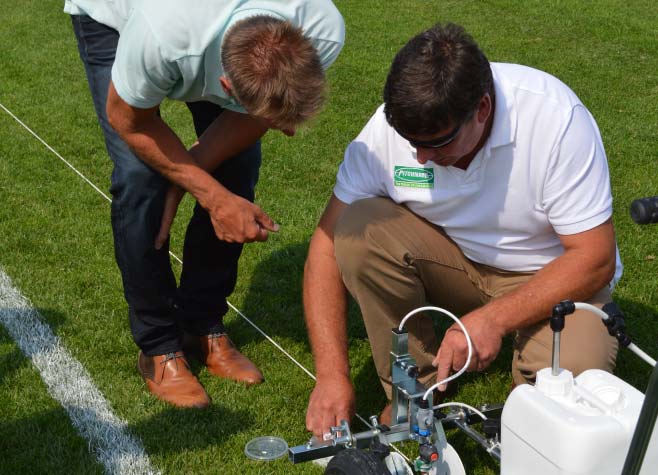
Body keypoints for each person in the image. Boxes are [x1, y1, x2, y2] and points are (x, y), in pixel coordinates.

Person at [303, 23, 622, 437]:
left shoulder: (555, 119)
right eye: (410, 141)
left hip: (555, 276)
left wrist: (492, 320)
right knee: (358, 229)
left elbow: (595, 258)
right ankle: (413, 390)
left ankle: (526, 399)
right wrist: (330, 375)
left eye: (437, 143)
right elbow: (325, 247)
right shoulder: (390, 129)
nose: (419, 158)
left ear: (483, 109)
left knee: (566, 395)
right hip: (456, 263)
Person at [65, 0, 344, 408]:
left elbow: (252, 118)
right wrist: (209, 195)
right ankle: (159, 345)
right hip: (114, 16)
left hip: (200, 36)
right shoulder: (163, 35)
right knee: (141, 179)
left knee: (236, 163)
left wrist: (190, 180)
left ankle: (202, 322)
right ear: (226, 87)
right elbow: (129, 120)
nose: (289, 133)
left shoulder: (321, 28)